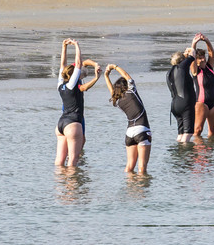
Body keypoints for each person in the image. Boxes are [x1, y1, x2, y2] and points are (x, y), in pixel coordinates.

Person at [54, 38, 99, 167]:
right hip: (73, 123)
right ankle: (73, 181)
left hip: (60, 124)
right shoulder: (72, 85)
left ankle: (58, 180)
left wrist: (64, 47)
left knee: (59, 162)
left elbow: (62, 65)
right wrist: (76, 45)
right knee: (73, 162)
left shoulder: (60, 85)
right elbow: (78, 63)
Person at [102, 63, 152, 174]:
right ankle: (142, 185)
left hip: (129, 133)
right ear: (126, 86)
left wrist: (106, 76)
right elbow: (127, 75)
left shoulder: (118, 100)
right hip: (142, 130)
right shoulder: (131, 92)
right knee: (142, 168)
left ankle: (127, 184)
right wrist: (114, 67)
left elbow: (112, 91)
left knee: (129, 167)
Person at [167, 47, 199, 144]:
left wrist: (184, 55)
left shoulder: (169, 72)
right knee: (188, 133)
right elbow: (192, 54)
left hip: (175, 105)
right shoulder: (182, 67)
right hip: (185, 104)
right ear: (182, 60)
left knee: (180, 134)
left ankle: (179, 150)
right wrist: (188, 50)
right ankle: (185, 152)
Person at [193, 33, 214, 138]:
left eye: (203, 57)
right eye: (200, 58)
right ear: (196, 60)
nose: (203, 59)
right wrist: (194, 43)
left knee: (213, 130)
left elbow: (211, 53)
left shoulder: (209, 67)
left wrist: (206, 40)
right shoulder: (195, 71)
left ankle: (211, 148)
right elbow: (192, 56)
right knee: (198, 130)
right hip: (201, 103)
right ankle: (197, 148)